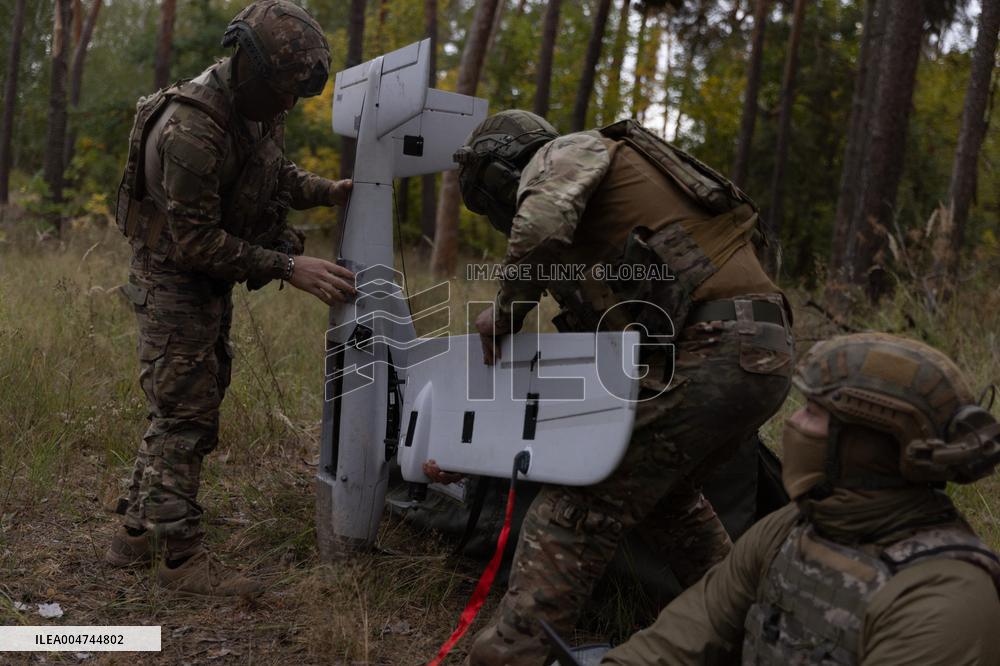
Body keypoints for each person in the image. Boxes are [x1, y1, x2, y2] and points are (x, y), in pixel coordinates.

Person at [441, 110, 795, 664]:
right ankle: (759, 632)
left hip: (717, 345)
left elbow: (537, 230)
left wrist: (505, 312)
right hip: (760, 351)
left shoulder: (566, 153)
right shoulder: (607, 206)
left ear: (502, 171)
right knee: (668, 501)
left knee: (580, 501)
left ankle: (512, 654)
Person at [105, 0, 357, 597]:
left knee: (185, 401)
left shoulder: (256, 107)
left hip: (204, 283)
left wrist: (328, 191)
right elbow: (195, 243)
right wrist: (289, 265)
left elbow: (274, 173)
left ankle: (136, 531)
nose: (291, 105)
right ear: (249, 67)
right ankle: (178, 560)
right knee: (186, 415)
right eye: (285, 90)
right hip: (174, 280)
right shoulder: (193, 128)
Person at [601, 333, 1000, 665]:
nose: (792, 422)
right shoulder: (792, 527)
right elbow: (675, 643)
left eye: (813, 411)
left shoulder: (945, 599)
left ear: (867, 445)